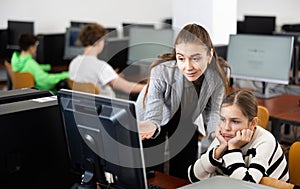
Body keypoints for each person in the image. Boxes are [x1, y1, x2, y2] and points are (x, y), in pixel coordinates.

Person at [136, 23, 229, 179]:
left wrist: (216, 134)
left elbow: (213, 110)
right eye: (181, 58)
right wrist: (150, 124)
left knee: (183, 171)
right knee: (152, 171)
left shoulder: (217, 76)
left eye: (196, 58)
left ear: (209, 55)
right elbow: (154, 112)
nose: (188, 66)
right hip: (153, 117)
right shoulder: (161, 72)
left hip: (185, 115)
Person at [188, 90, 289, 183]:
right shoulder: (225, 137)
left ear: (253, 123)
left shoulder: (266, 142)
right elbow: (194, 177)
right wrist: (218, 151)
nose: (226, 127)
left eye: (235, 121)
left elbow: (247, 185)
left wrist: (233, 149)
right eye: (223, 119)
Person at [68, 23, 145, 98]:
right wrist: (148, 86)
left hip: (85, 107)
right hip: (108, 108)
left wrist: (111, 76)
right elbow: (128, 88)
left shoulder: (74, 63)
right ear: (99, 42)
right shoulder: (100, 66)